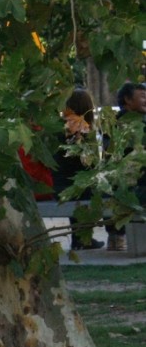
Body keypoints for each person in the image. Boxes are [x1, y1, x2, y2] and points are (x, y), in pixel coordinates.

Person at [52, 88, 104, 250]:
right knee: (96, 189)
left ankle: (80, 238)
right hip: (75, 184)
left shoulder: (61, 127)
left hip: (59, 182)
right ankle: (84, 238)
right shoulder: (80, 127)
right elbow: (87, 162)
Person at [103, 81, 146, 251]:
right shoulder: (121, 124)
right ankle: (118, 236)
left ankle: (116, 236)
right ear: (128, 100)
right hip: (130, 186)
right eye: (142, 96)